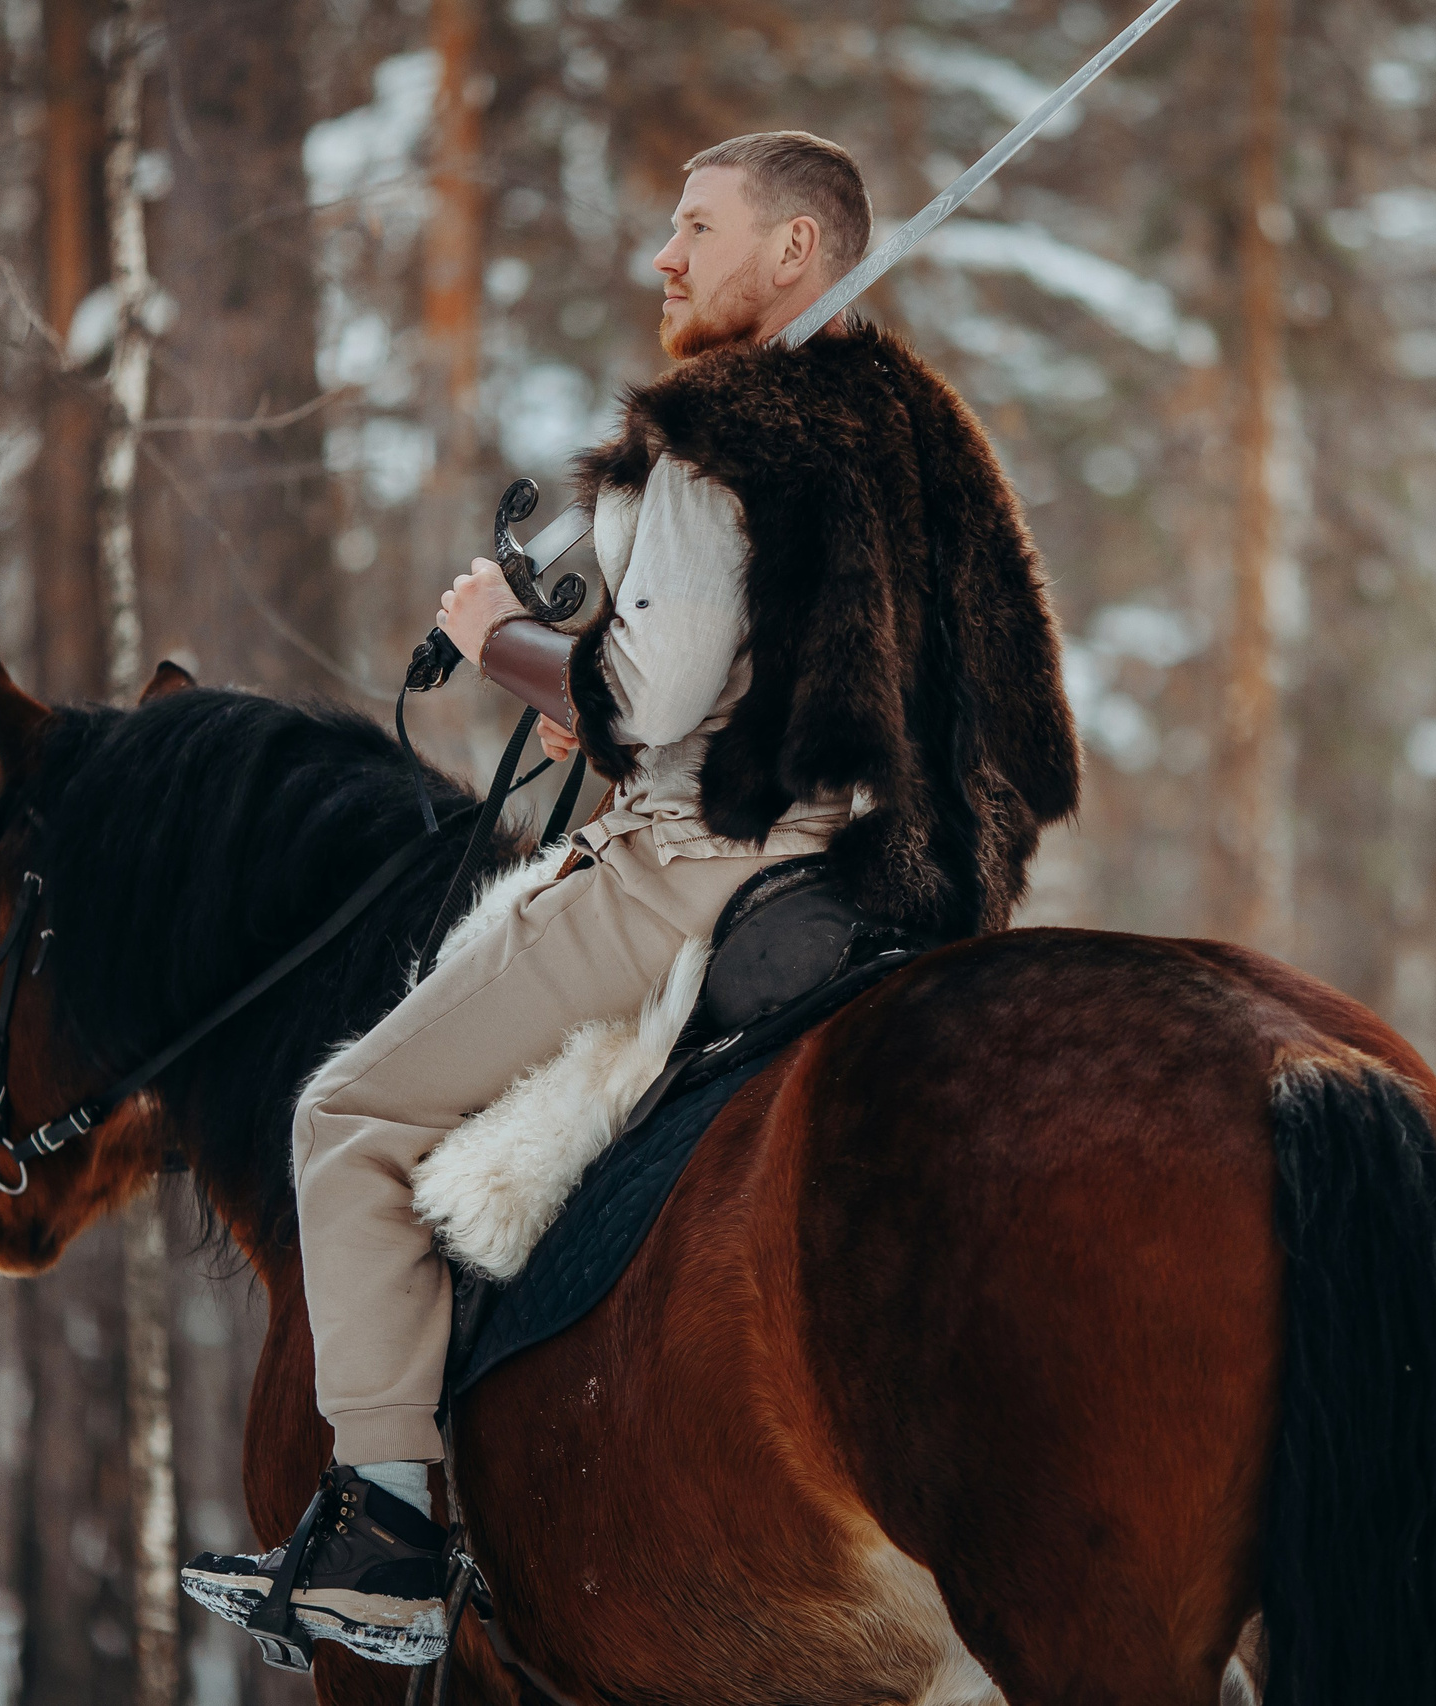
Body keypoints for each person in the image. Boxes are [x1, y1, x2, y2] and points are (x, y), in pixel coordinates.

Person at [181, 130, 1081, 1667]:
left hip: (695, 864)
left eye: (696, 225)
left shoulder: (719, 430)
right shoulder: (915, 437)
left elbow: (650, 694)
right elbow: (994, 716)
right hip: (890, 879)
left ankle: (389, 1526)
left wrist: (499, 641)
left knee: (342, 1118)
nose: (663, 258)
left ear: (796, 254)